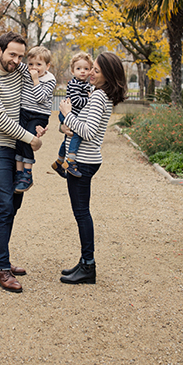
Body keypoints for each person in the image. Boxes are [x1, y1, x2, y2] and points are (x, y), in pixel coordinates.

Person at [0, 32, 44, 293]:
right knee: (4, 203)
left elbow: (41, 73)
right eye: (11, 54)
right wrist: (31, 140)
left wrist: (36, 129)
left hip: (17, 146)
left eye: (20, 55)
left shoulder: (19, 69)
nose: (17, 60)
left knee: (15, 201)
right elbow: (0, 119)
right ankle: (2, 268)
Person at [58, 52, 127, 285]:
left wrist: (67, 115)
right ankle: (84, 262)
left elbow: (87, 132)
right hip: (85, 159)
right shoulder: (98, 94)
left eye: (96, 70)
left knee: (82, 214)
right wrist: (66, 126)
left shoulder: (99, 96)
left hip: (83, 161)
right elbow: (83, 127)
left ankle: (88, 266)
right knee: (82, 213)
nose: (90, 73)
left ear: (107, 74)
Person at [14, 46, 56, 193]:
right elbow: (15, 63)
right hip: (24, 111)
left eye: (39, 64)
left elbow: (40, 98)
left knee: (28, 138)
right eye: (31, 64)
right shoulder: (27, 71)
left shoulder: (50, 80)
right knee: (18, 138)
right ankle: (19, 173)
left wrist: (35, 80)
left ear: (47, 66)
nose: (34, 67)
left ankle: (28, 173)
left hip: (39, 115)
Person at [51, 53, 93, 179]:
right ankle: (70, 160)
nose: (82, 72)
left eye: (86, 69)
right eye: (78, 69)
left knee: (67, 139)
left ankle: (59, 162)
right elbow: (76, 101)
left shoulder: (86, 84)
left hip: (72, 115)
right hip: (67, 114)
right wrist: (89, 100)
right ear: (72, 71)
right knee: (77, 133)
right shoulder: (74, 84)